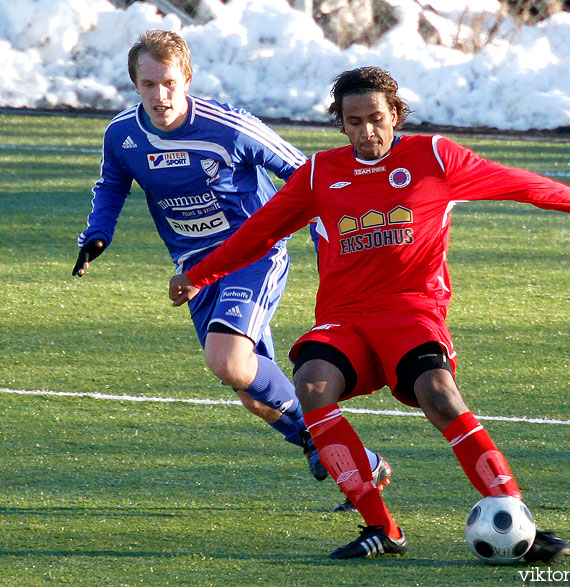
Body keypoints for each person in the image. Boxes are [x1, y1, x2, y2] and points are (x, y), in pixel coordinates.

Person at [169, 66, 570, 561]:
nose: (368, 131)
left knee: (438, 393)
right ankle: (382, 528)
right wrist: (201, 274)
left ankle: (510, 512)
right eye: (354, 120)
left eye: (377, 118)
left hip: (411, 312)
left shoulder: (434, 157)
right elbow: (261, 231)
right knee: (313, 386)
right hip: (344, 318)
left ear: (396, 115)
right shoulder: (319, 174)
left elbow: (516, 184)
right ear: (340, 123)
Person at [72, 31, 391, 504]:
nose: (160, 96)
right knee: (246, 386)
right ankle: (348, 455)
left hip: (252, 253)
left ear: (187, 79)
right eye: (147, 85)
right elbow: (112, 185)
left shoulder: (229, 126)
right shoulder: (123, 134)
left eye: (169, 83)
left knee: (226, 360)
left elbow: (306, 175)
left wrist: (331, 233)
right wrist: (98, 233)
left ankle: (322, 441)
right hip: (195, 268)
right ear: (134, 84)